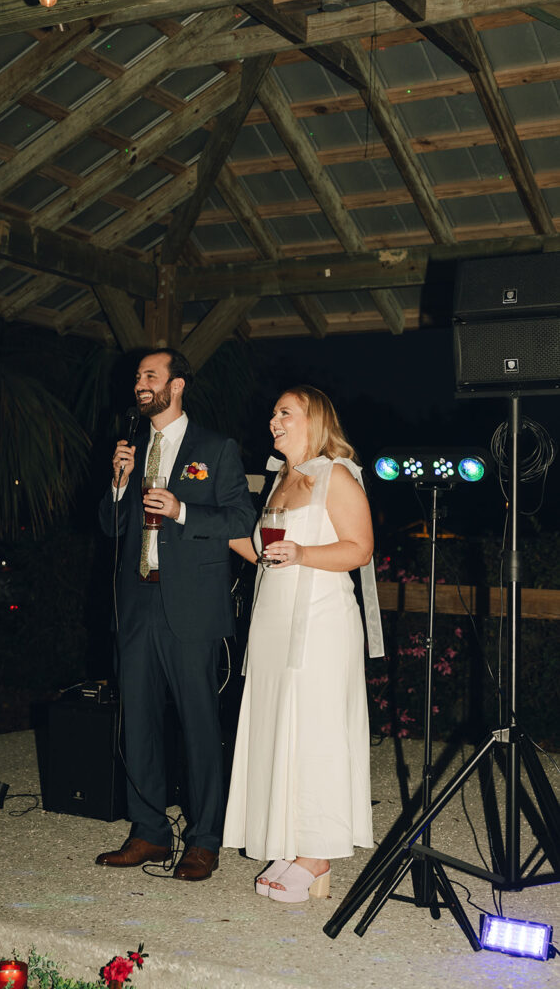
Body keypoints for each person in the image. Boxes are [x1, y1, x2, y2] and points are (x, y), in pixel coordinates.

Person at [96, 349, 255, 882]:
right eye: (138, 377)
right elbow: (109, 526)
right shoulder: (133, 448)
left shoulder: (215, 447)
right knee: (136, 719)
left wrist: (183, 510)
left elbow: (239, 517)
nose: (140, 383)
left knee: (198, 725)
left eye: (150, 376)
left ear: (177, 385)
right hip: (137, 600)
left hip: (191, 606)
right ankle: (148, 832)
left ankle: (205, 839)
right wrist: (118, 484)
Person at [223, 385, 384, 902]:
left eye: (285, 413)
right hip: (273, 620)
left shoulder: (335, 473)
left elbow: (360, 548)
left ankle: (316, 855)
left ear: (314, 420)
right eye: (273, 413)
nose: (274, 420)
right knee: (279, 725)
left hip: (321, 621)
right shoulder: (280, 481)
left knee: (314, 729)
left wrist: (302, 553)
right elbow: (264, 554)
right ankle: (289, 840)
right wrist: (199, 521)